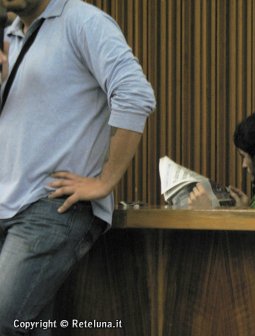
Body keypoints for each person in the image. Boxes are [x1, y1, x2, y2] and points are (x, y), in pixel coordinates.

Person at [0, 0, 156, 335]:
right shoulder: (10, 36)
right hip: (8, 204)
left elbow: (135, 94)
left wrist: (104, 182)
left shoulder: (83, 22)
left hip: (50, 206)